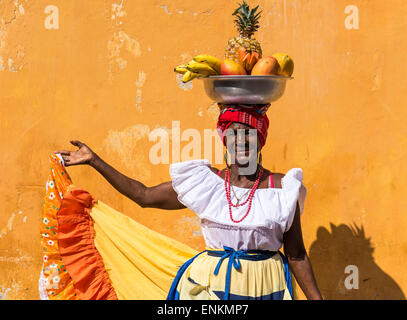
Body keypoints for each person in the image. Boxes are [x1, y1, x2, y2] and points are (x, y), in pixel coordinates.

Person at [54, 104, 322, 300]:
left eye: (250, 134)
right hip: (208, 291)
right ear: (225, 139)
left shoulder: (281, 187)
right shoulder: (207, 184)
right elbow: (143, 195)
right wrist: (94, 160)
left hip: (265, 288)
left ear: (260, 140)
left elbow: (296, 255)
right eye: (235, 133)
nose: (242, 141)